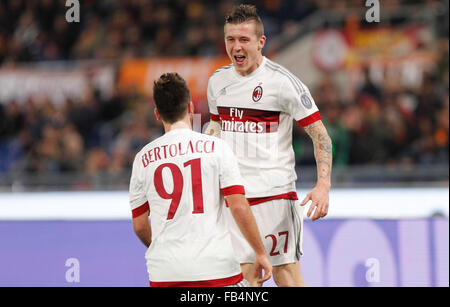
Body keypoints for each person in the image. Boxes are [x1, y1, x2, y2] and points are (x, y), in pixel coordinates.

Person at [205, 4, 333, 287]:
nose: (236, 47)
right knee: (246, 280)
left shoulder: (283, 83)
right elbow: (215, 128)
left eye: (244, 40)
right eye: (230, 40)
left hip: (275, 197)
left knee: (285, 276)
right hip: (236, 200)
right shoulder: (217, 82)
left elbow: (320, 135)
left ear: (261, 42)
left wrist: (323, 185)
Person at [129, 72, 272, 287]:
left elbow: (140, 225)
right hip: (215, 269)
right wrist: (260, 252)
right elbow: (239, 207)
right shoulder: (217, 148)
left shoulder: (143, 159)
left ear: (157, 114)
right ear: (190, 108)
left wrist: (160, 248)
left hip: (165, 273)